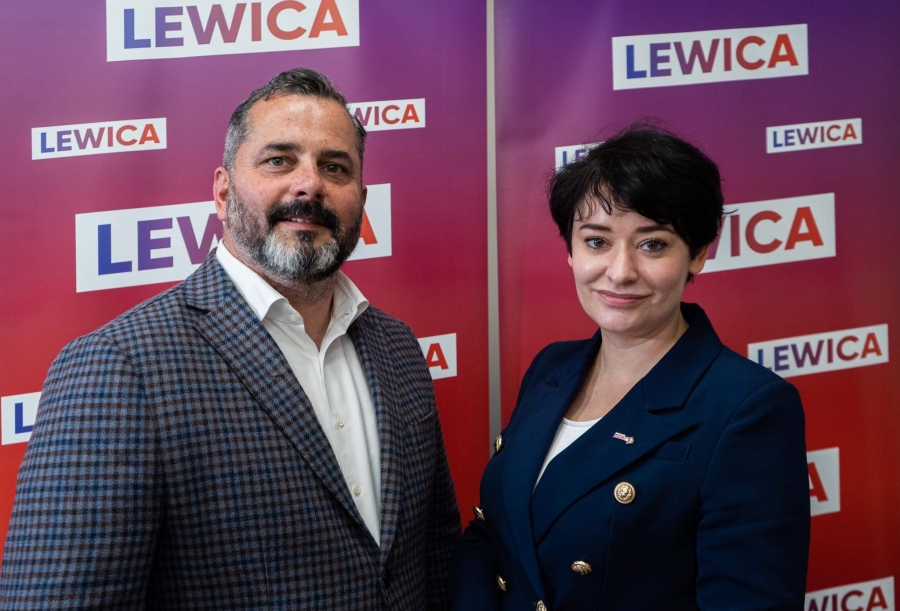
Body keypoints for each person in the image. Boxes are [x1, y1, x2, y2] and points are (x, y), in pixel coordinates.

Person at [0, 68, 460, 610]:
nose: (309, 184)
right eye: (279, 161)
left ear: (360, 197)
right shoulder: (119, 367)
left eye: (335, 167)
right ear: (223, 192)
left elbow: (437, 565)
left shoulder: (398, 349)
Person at [450, 124, 810, 610]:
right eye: (597, 242)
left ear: (697, 254)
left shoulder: (748, 408)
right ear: (570, 250)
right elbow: (495, 536)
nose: (620, 272)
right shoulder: (550, 367)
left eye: (652, 244)